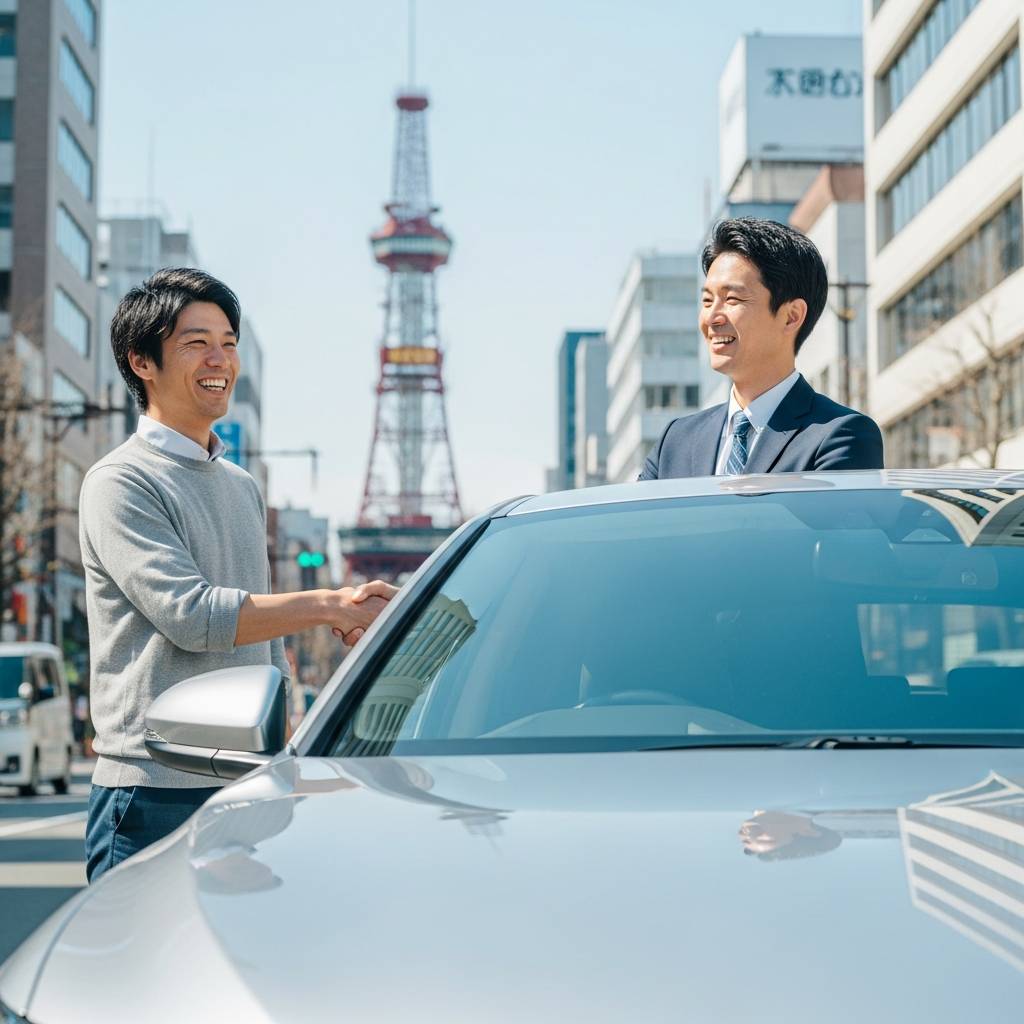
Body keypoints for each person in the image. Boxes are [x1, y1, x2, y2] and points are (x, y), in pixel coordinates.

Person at [80, 268, 396, 883]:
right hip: (153, 791)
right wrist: (329, 605)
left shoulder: (241, 486)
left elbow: (267, 652)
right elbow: (193, 617)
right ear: (141, 362)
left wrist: (287, 756)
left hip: (249, 786)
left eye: (228, 342)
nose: (219, 359)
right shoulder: (120, 482)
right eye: (196, 343)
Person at [639, 217, 883, 480]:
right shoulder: (674, 443)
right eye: (707, 301)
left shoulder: (841, 435)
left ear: (791, 316)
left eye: (732, 299)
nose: (712, 318)